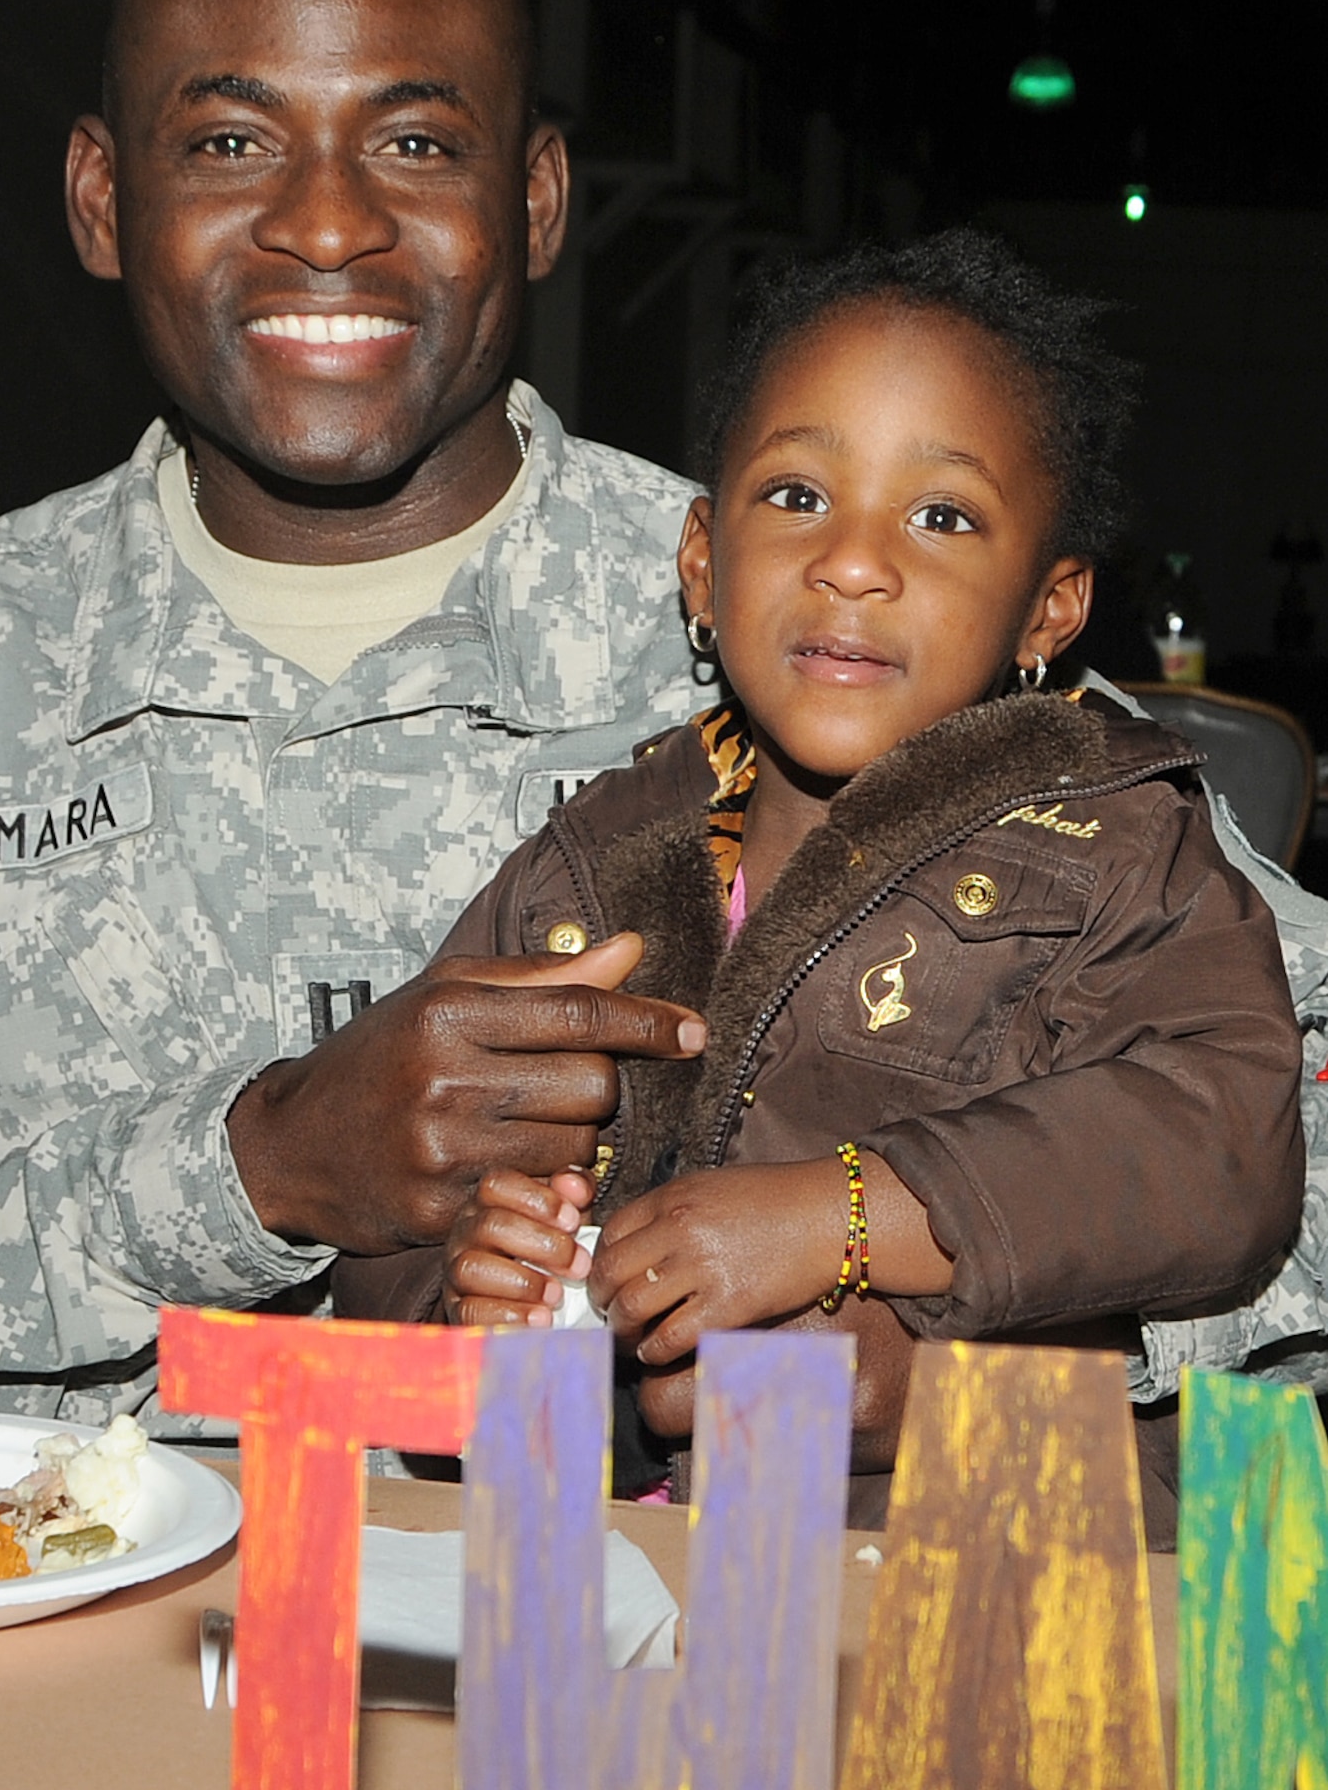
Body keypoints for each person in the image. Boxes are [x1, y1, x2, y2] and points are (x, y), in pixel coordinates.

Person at [0, 0, 719, 1420]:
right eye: (229, 139)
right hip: (56, 1638)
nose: (329, 224)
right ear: (101, 201)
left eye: (415, 140)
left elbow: (1206, 1174)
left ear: (536, 201)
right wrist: (249, 1170)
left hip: (597, 1638)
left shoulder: (789, 629)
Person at [334, 231, 1306, 1538]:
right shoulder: (589, 865)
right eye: (796, 495)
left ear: (1047, 611)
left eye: (941, 516)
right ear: (699, 557)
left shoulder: (1110, 842)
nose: (853, 561)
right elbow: (401, 1211)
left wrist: (849, 1215)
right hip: (655, 1580)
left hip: (986, 1574)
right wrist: (477, 1303)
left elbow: (1217, 1145)